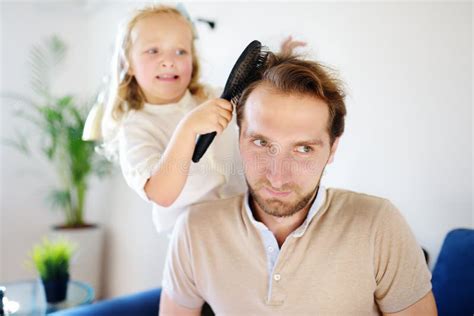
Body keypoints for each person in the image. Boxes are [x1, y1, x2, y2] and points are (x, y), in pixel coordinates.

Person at [159, 52, 437, 315]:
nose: (278, 176)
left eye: (303, 149)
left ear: (332, 148)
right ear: (240, 137)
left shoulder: (379, 224)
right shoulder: (195, 230)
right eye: (261, 142)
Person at [99, 4, 305, 233]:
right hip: (193, 238)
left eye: (180, 51)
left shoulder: (212, 97)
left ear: (192, 59)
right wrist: (187, 129)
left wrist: (281, 66)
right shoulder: (135, 128)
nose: (169, 60)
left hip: (244, 221)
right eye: (153, 51)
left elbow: (261, 102)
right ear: (128, 63)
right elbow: (161, 194)